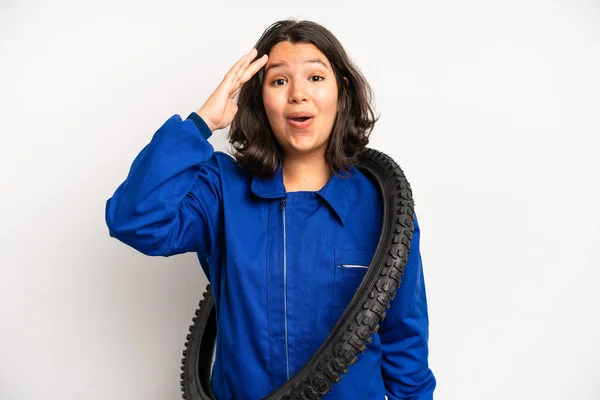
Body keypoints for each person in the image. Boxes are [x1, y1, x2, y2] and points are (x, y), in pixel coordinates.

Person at [105, 19, 436, 400]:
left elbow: (404, 341)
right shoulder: (221, 190)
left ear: (341, 92)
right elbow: (134, 220)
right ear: (260, 99)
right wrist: (200, 123)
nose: (298, 94)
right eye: (279, 81)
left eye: (315, 77)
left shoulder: (384, 206)